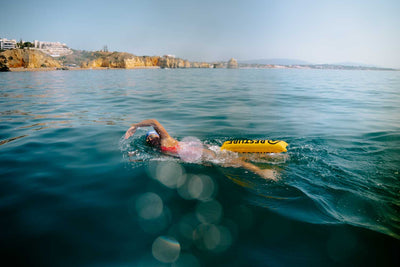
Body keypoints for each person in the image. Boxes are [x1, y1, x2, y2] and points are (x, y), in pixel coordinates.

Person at [125, 119, 278, 181]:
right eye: (148, 139)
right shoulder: (158, 150)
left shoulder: (166, 140)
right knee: (233, 160)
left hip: (201, 153)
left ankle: (261, 172)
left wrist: (134, 126)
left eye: (152, 136)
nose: (150, 139)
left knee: (234, 163)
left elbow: (153, 121)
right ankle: (265, 156)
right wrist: (135, 157)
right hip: (199, 156)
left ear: (157, 136)